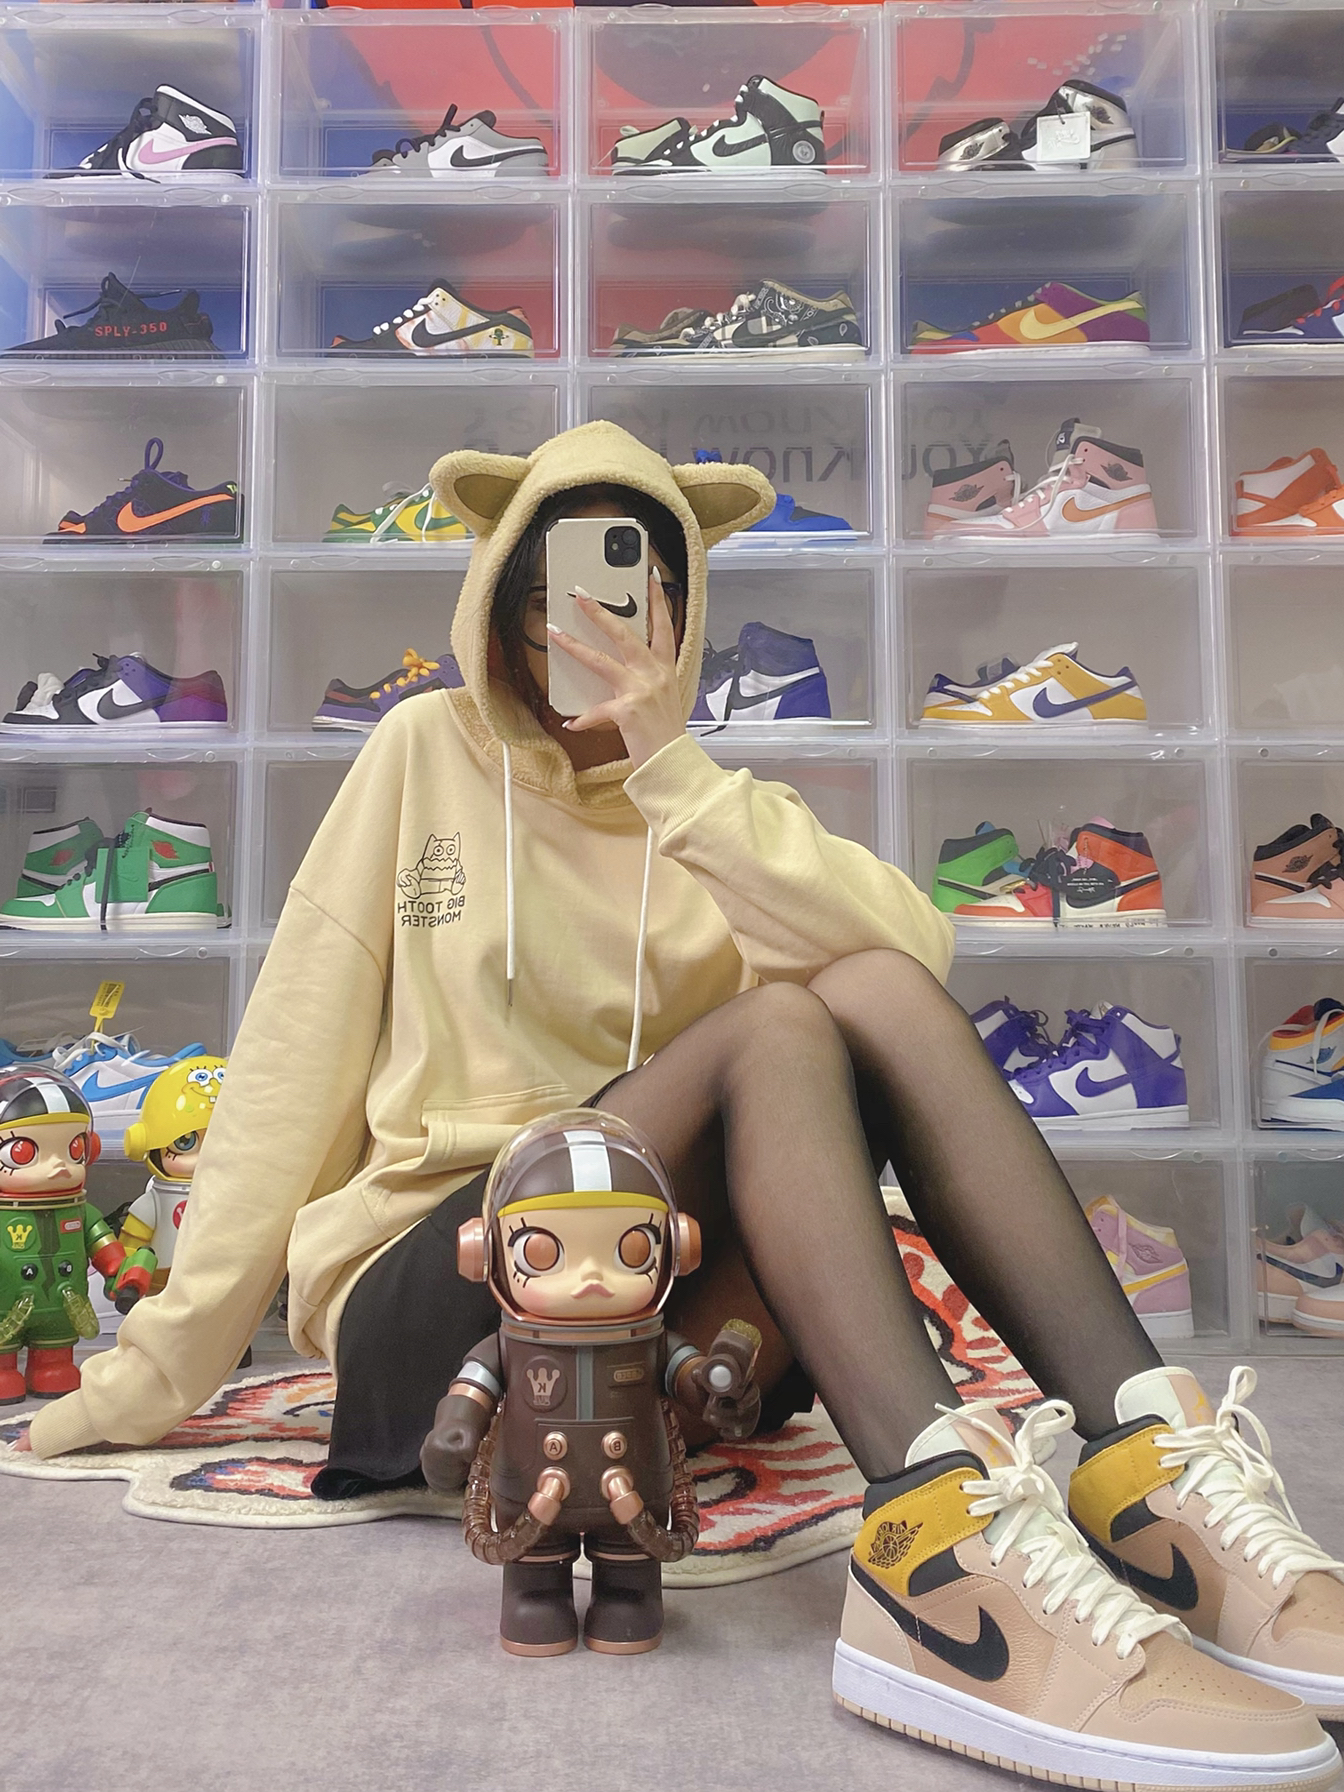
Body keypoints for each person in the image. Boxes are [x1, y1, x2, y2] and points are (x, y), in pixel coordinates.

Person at [26, 423, 1344, 1789]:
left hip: (641, 1318)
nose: (586, 631)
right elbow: (287, 1064)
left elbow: (912, 962)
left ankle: (1151, 1471)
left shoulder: (715, 804)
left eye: (631, 599)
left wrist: (674, 770)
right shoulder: (421, 752)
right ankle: (934, 1546)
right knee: (775, 1026)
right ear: (501, 609)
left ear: (680, 619)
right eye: (552, 598)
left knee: (856, 994)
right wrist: (162, 1363)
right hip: (442, 1297)